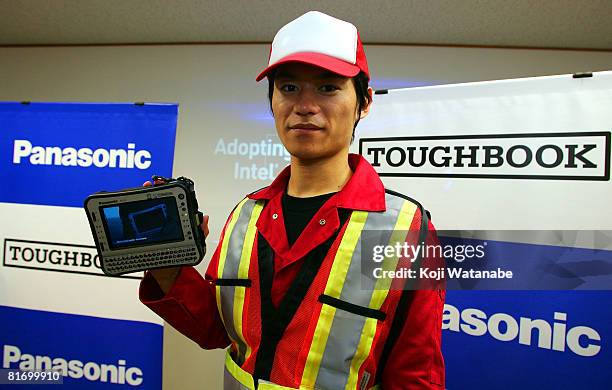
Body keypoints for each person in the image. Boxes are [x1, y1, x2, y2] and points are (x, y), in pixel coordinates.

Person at [140, 11, 445, 389]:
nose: (304, 105)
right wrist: (167, 264)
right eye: (288, 88)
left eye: (328, 87)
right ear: (271, 102)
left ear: (364, 103)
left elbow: (416, 374)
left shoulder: (405, 228)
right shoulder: (247, 215)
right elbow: (216, 329)